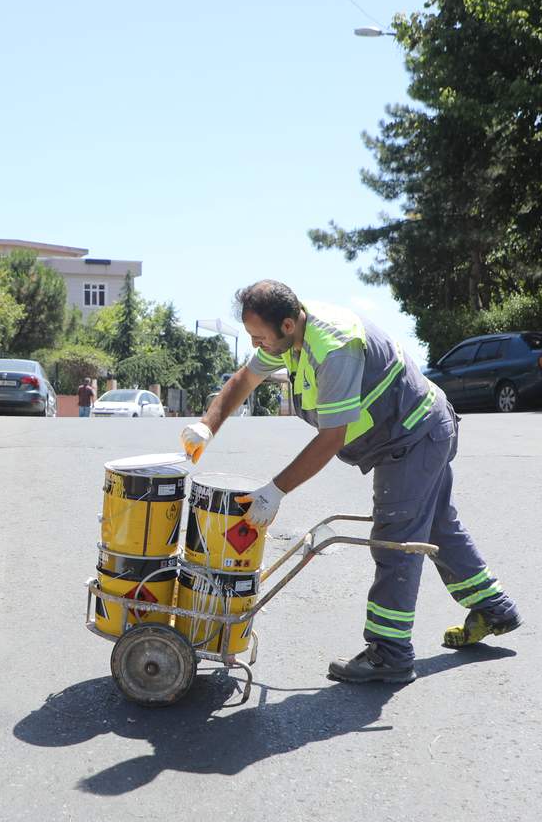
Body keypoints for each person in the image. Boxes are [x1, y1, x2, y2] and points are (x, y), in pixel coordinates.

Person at [180, 280, 521, 685]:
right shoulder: (287, 339)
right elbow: (243, 381)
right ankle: (493, 608)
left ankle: (389, 653)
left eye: (259, 337)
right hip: (420, 429)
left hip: (413, 436)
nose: (256, 346)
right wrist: (206, 427)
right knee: (435, 526)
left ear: (288, 324)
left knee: (395, 537)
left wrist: (275, 491)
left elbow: (331, 438)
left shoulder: (333, 349)